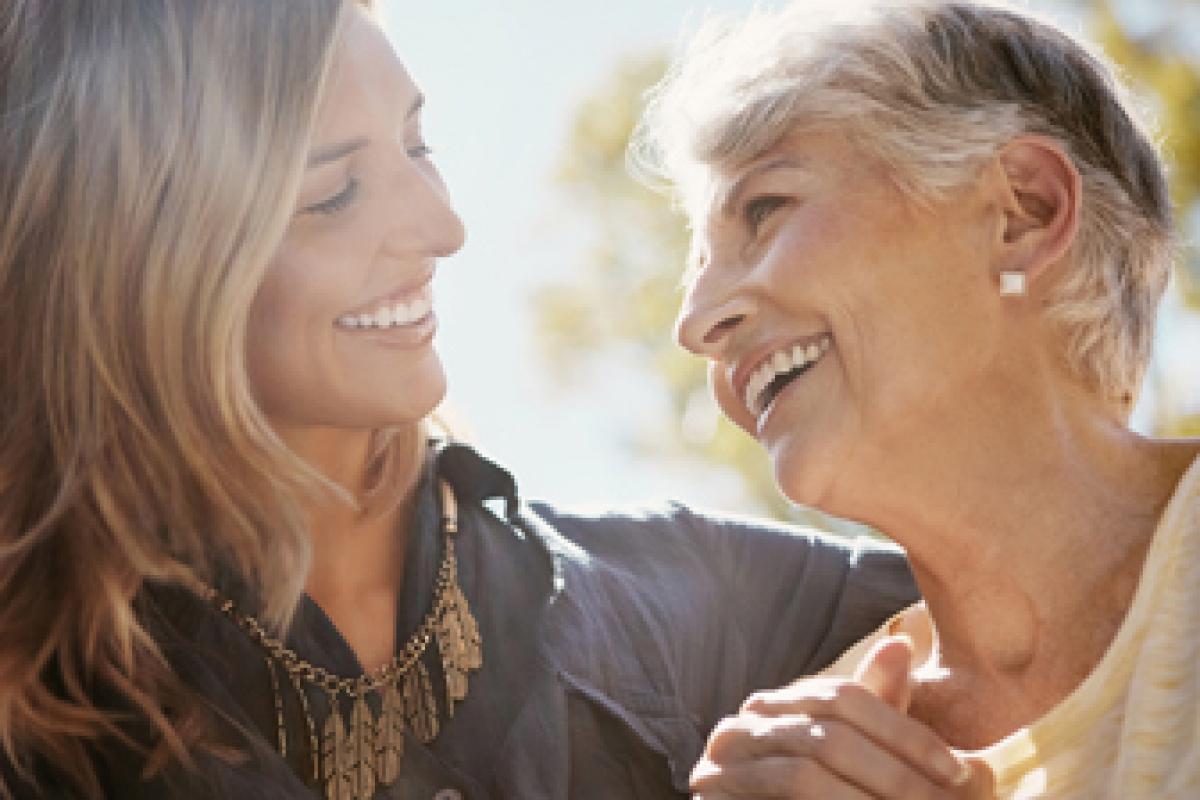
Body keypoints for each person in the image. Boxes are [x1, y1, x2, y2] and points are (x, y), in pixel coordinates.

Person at [0, 1, 923, 798]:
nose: (442, 227)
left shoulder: (691, 600)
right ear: (136, 273)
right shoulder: (38, 729)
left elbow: (1035, 599)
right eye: (334, 193)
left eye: (417, 144)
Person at [633, 0, 1199, 796]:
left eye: (766, 209)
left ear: (1024, 213)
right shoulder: (826, 745)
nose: (696, 326)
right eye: (697, 273)